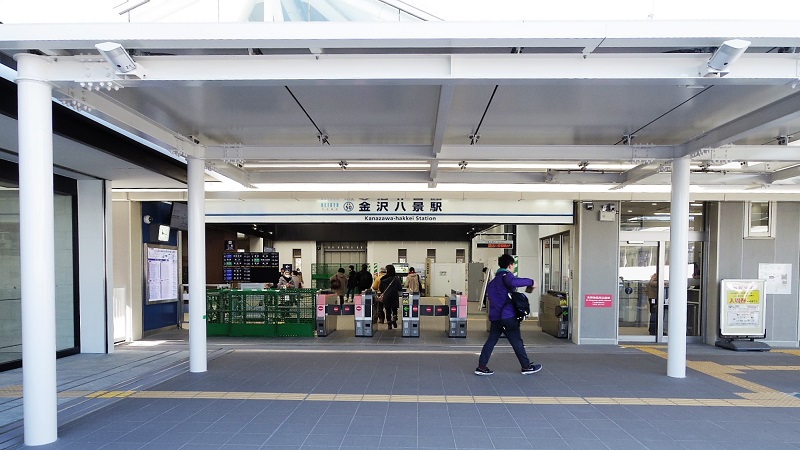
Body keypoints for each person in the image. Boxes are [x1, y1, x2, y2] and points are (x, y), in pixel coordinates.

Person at [475, 254, 542, 376]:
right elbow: (514, 281)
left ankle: (481, 366)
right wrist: (531, 282)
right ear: (510, 265)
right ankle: (526, 367)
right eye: (513, 266)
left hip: (495, 317)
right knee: (517, 341)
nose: (513, 268)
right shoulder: (506, 276)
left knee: (490, 342)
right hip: (508, 317)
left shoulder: (492, 282)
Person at [379, 264, 402, 330]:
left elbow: (381, 289)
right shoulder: (396, 278)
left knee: (387, 310)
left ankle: (389, 324)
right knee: (394, 309)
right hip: (394, 296)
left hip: (386, 296)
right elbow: (400, 288)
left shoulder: (383, 279)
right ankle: (394, 319)